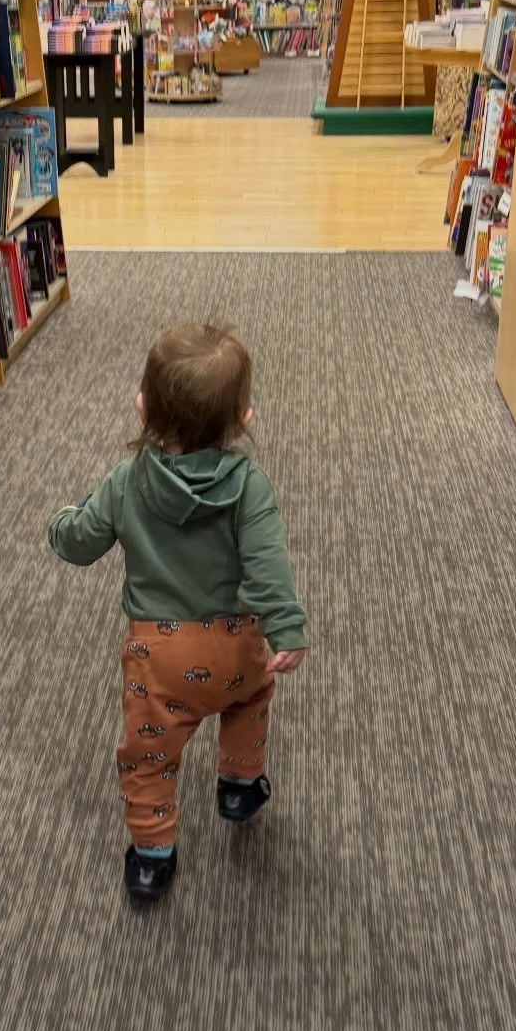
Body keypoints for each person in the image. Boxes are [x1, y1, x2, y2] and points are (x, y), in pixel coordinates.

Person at [48, 323, 307, 904]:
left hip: (159, 659)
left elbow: (81, 542)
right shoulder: (250, 486)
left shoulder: (125, 482)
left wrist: (61, 524)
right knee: (249, 699)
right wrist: (287, 628)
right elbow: (268, 565)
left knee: (149, 755)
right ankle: (240, 784)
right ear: (244, 418)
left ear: (143, 408)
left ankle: (152, 857)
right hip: (237, 645)